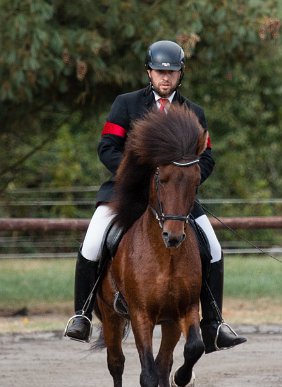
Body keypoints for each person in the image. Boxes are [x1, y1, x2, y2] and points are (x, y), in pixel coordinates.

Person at [65, 40, 247, 352]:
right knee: (94, 240)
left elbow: (208, 158)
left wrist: (186, 180)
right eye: (159, 72)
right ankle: (81, 315)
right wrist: (138, 174)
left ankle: (213, 324)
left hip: (175, 199)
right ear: (149, 73)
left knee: (213, 247)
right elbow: (107, 147)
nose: (166, 77)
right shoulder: (126, 105)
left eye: (172, 72)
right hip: (127, 192)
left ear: (180, 74)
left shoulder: (194, 113)